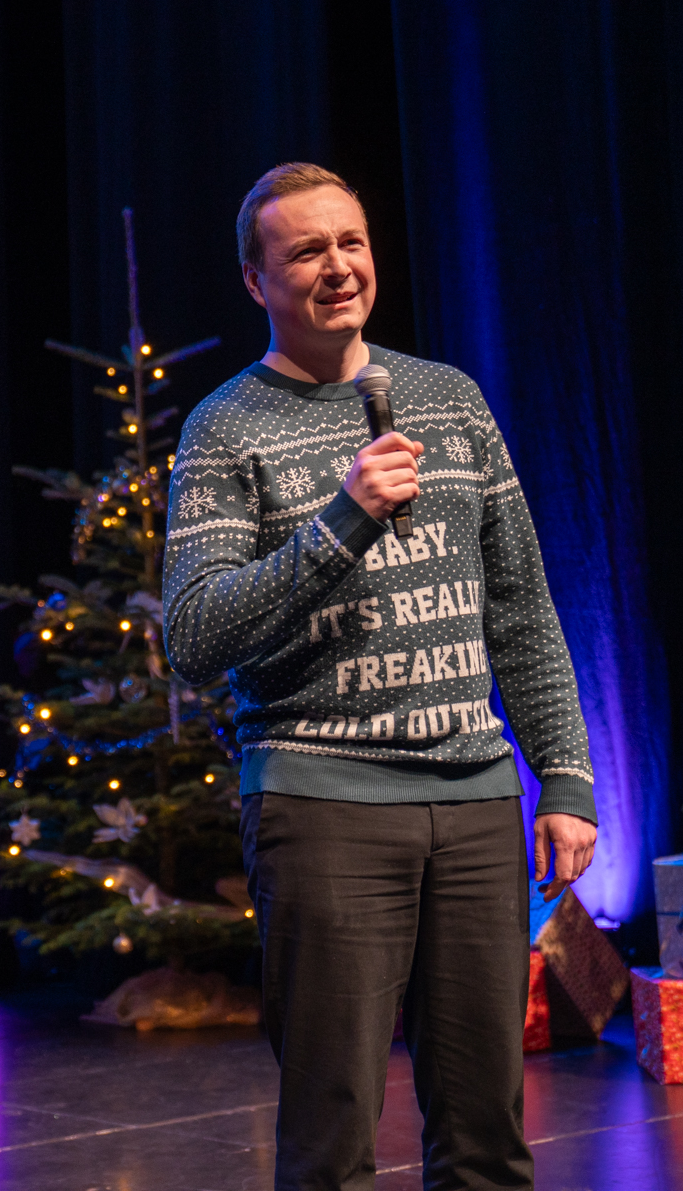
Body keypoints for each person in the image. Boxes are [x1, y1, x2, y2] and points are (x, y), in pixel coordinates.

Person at [163, 162, 599, 1191]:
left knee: (488, 1136)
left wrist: (565, 775)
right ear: (255, 280)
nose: (338, 267)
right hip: (324, 804)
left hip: (475, 799)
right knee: (331, 1136)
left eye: (351, 242)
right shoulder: (225, 428)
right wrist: (343, 521)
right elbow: (195, 632)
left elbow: (521, 603)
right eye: (307, 250)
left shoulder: (450, 400)